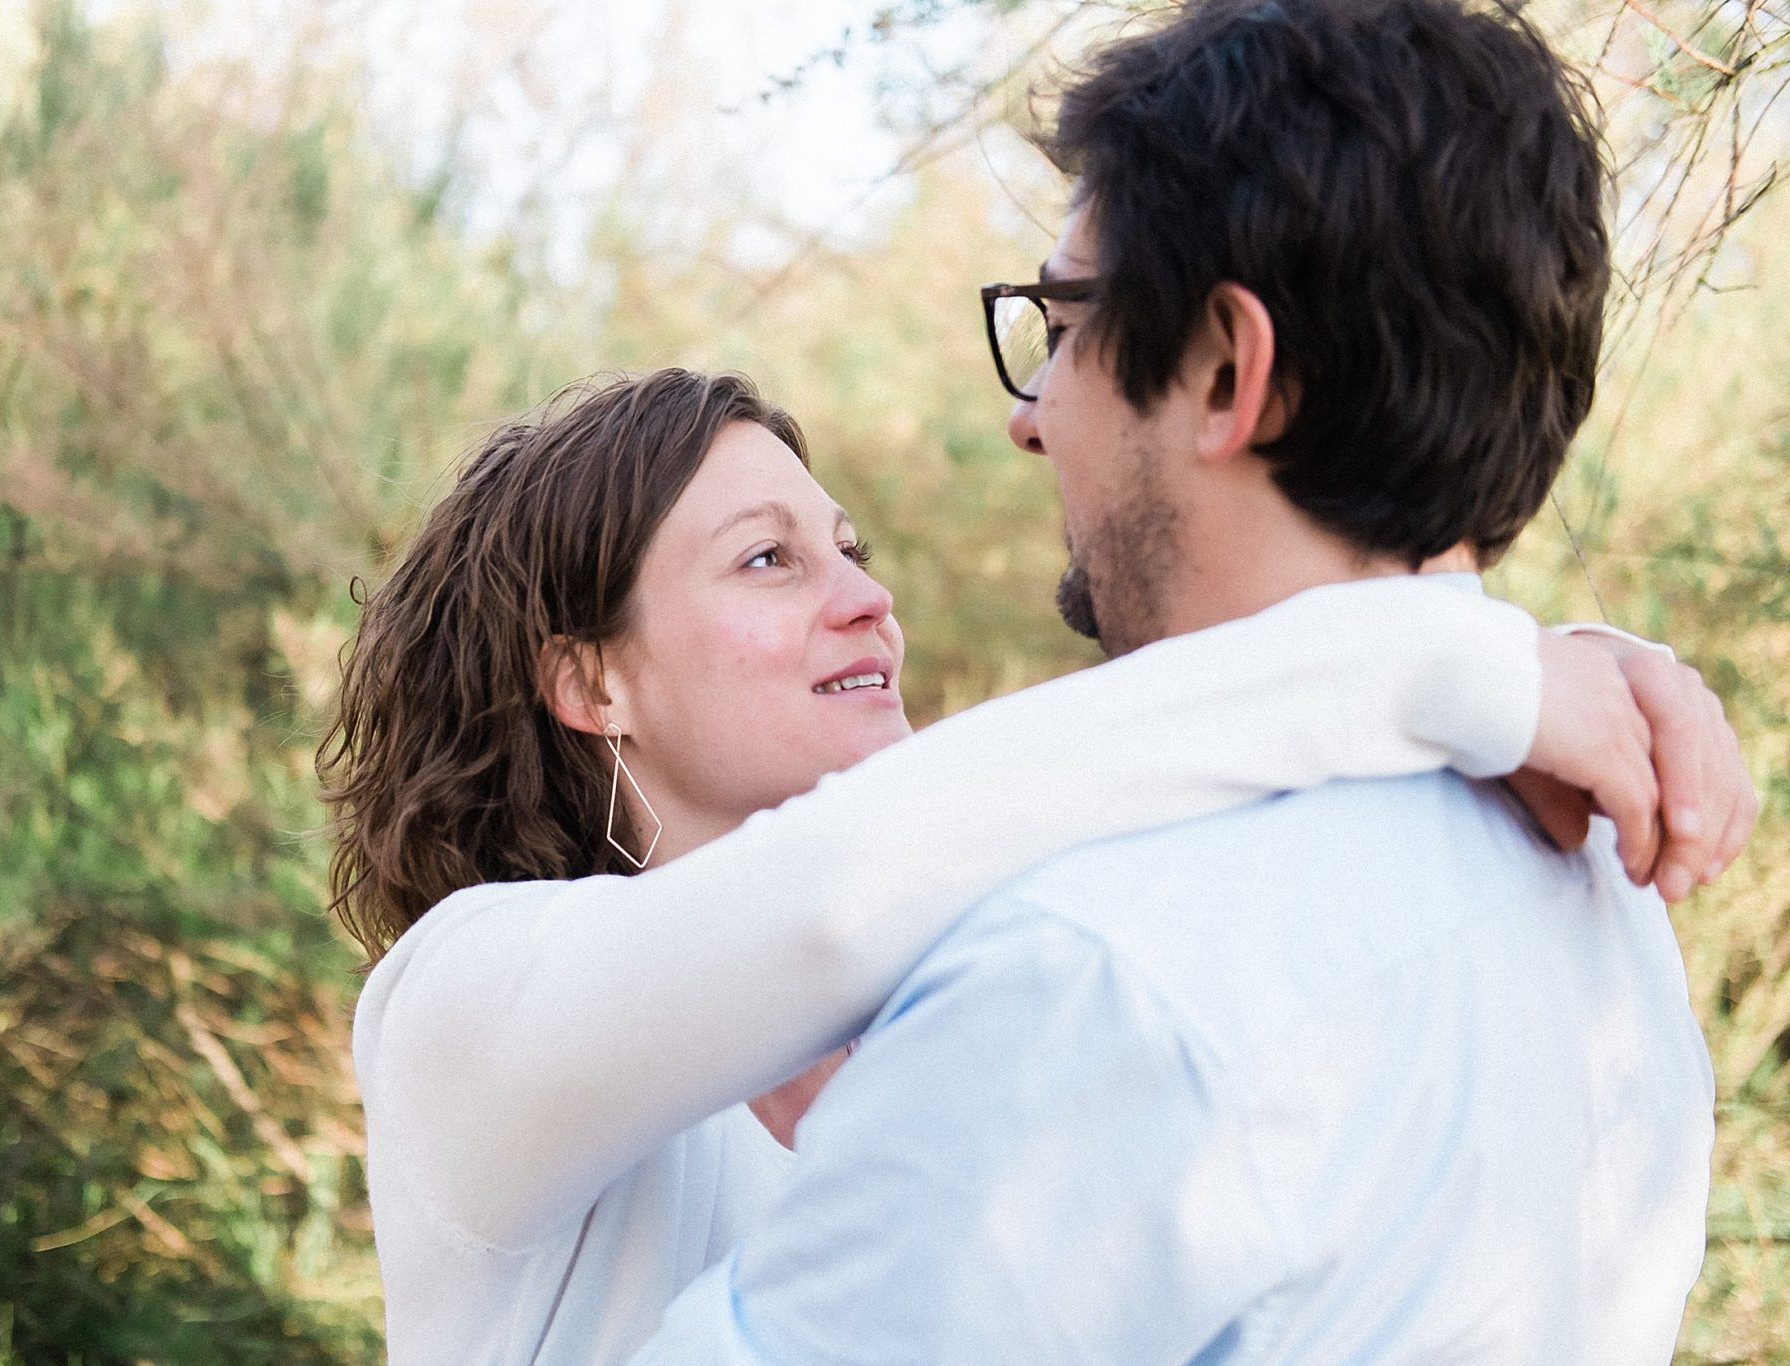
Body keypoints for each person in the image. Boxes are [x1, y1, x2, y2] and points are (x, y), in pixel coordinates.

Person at [630, 3, 1749, 1363]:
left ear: (1228, 370)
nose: (1029, 415)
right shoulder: (1605, 907)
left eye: (1064, 321)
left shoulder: (1093, 983)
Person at [322, 367, 1749, 1363]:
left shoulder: (964, 1003)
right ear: (590, 682)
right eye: (768, 560)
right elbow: (841, 886)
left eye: (852, 546)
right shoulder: (462, 1007)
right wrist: (1454, 659)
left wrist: (1590, 669)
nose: (868, 599)